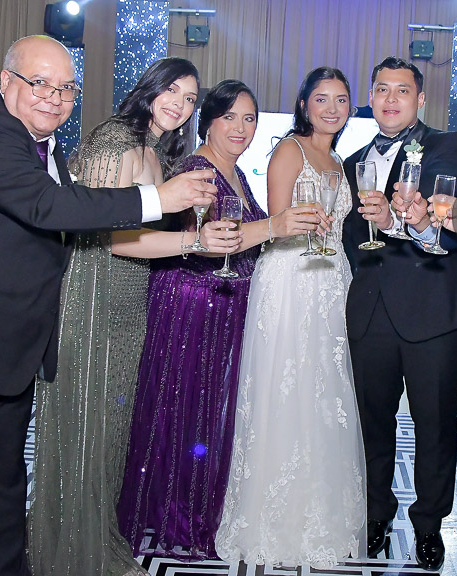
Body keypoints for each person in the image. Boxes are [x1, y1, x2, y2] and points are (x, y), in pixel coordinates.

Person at [0, 35, 216, 576]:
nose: (54, 97)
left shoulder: (45, 146)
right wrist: (159, 199)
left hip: (6, 355)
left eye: (67, 88)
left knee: (1, 495)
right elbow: (46, 206)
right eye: (40, 83)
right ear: (5, 81)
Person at [117, 80, 318, 560]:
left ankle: (198, 507)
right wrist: (274, 226)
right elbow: (202, 241)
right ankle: (177, 516)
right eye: (229, 117)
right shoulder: (197, 169)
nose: (240, 128)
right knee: (188, 415)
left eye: (249, 119)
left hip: (224, 305)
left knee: (210, 416)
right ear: (208, 121)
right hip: (193, 305)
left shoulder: (236, 171)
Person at [26, 57, 211, 575]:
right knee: (84, 431)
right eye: (172, 90)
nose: (179, 104)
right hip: (92, 303)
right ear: (150, 88)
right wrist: (194, 241)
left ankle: (92, 540)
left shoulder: (155, 149)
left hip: (129, 303)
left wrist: (194, 238)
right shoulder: (114, 140)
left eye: (190, 98)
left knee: (109, 435)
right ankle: (70, 554)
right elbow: (103, 235)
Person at [214, 67, 365, 568]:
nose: (331, 109)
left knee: (324, 395)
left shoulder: (339, 161)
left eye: (340, 100)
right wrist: (303, 224)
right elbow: (276, 224)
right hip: (291, 280)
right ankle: (272, 518)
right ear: (304, 105)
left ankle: (320, 512)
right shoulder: (289, 150)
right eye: (321, 99)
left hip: (332, 281)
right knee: (285, 390)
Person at [342, 57, 457, 571]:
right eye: (382, 89)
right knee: (372, 424)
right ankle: (376, 513)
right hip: (370, 313)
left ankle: (429, 524)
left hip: (432, 313)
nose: (391, 99)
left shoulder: (449, 144)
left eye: (402, 90)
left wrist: (401, 218)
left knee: (434, 425)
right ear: (370, 99)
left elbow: (439, 204)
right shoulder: (353, 160)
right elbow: (351, 240)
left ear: (420, 99)